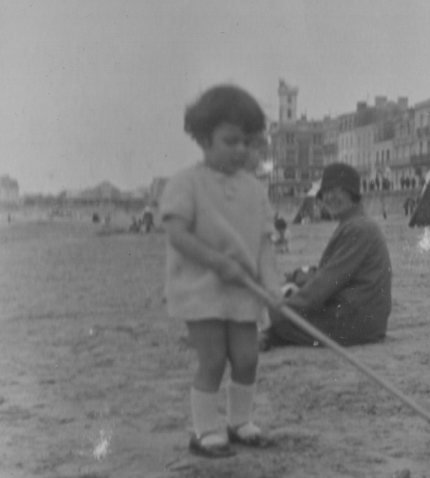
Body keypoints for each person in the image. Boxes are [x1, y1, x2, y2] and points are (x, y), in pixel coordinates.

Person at [160, 85, 280, 458]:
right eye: (231, 141)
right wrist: (219, 263)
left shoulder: (255, 190)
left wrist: (271, 287)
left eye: (247, 142)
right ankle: (205, 430)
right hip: (201, 287)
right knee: (212, 359)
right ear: (204, 139)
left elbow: (263, 242)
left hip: (244, 289)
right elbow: (177, 234)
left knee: (247, 358)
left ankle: (239, 421)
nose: (241, 150)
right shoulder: (186, 183)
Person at [260, 162, 392, 349]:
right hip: (365, 318)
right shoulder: (356, 224)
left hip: (356, 322)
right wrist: (298, 278)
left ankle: (262, 339)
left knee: (280, 319)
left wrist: (281, 308)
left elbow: (324, 285)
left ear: (352, 193)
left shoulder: (358, 228)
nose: (329, 197)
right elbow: (333, 271)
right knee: (287, 311)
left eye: (337, 190)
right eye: (326, 192)